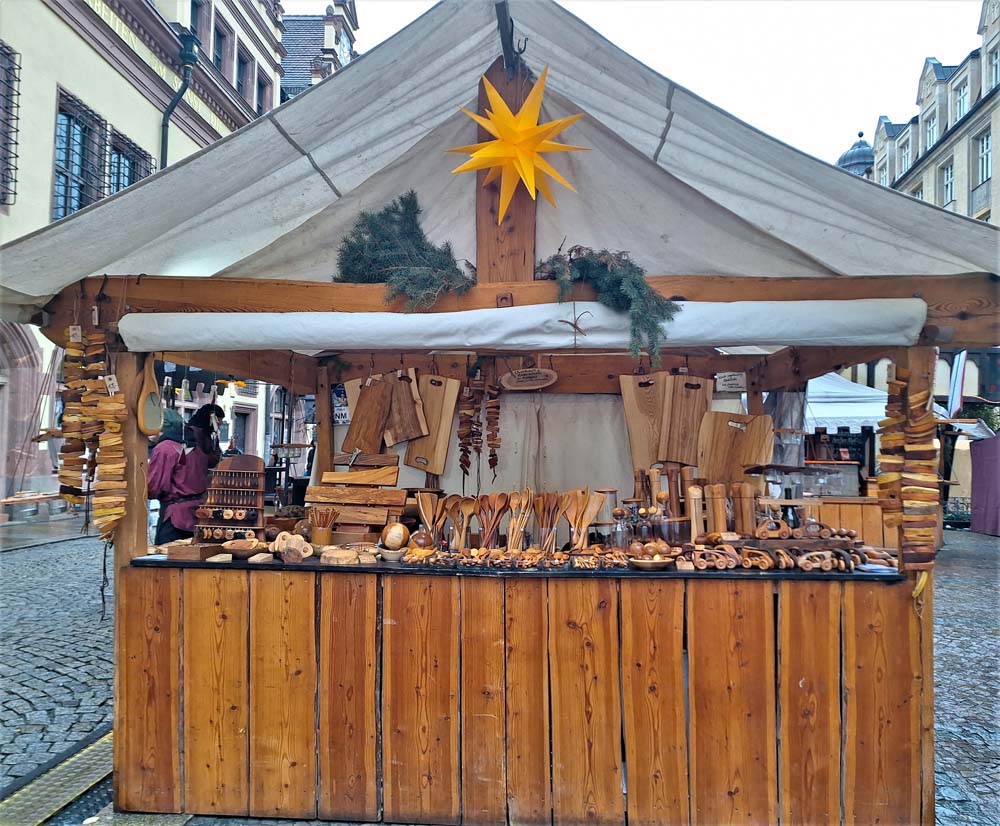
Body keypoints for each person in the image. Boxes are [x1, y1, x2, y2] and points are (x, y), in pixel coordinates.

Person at [147, 404, 223, 544]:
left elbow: (154, 487)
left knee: (167, 555)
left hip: (175, 518)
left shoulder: (165, 448)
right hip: (197, 513)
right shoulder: (198, 447)